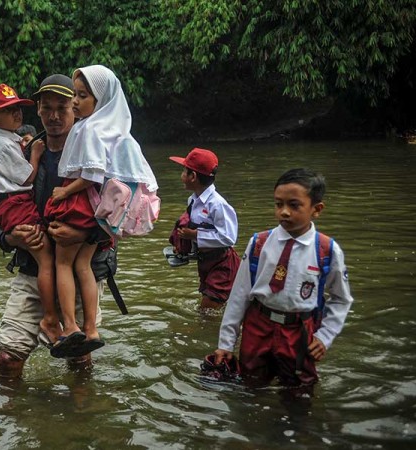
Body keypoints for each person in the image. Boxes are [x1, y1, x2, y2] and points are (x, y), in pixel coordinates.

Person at [0, 74, 119, 378]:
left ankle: (80, 413)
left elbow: (122, 211)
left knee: (80, 357)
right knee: (9, 356)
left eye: (63, 107)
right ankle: (15, 418)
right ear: (38, 110)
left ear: (75, 107)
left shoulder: (96, 150)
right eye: (47, 108)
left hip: (84, 267)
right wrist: (8, 236)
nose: (55, 116)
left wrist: (86, 233)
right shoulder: (23, 152)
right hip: (33, 267)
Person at [45, 65, 158, 357]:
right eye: (75, 95)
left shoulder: (91, 129)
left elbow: (92, 175)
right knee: (83, 267)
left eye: (81, 96)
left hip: (79, 202)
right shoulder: (115, 132)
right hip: (95, 210)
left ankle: (70, 326)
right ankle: (92, 329)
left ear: (101, 99)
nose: (74, 102)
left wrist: (65, 191)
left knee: (62, 263)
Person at [213, 168, 353, 392]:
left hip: (299, 332)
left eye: (294, 205)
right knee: (251, 384)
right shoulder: (259, 243)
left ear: (316, 209)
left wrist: (325, 336)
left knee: (299, 390)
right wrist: (226, 344)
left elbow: (341, 299)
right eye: (279, 204)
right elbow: (239, 295)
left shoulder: (327, 250)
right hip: (258, 326)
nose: (284, 212)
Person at [0, 84, 59, 343]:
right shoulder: (5, 145)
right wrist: (34, 154)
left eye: (17, 108)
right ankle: (50, 318)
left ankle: (53, 318)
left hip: (10, 205)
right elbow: (26, 177)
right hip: (14, 205)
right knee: (45, 257)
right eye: (7, 110)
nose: (16, 114)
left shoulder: (9, 142)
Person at [168, 148, 240, 309]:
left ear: (193, 176)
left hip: (222, 263)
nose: (181, 176)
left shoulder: (217, 204)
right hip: (206, 261)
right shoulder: (193, 200)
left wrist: (194, 235)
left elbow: (228, 238)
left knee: (207, 310)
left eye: (184, 171)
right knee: (211, 307)